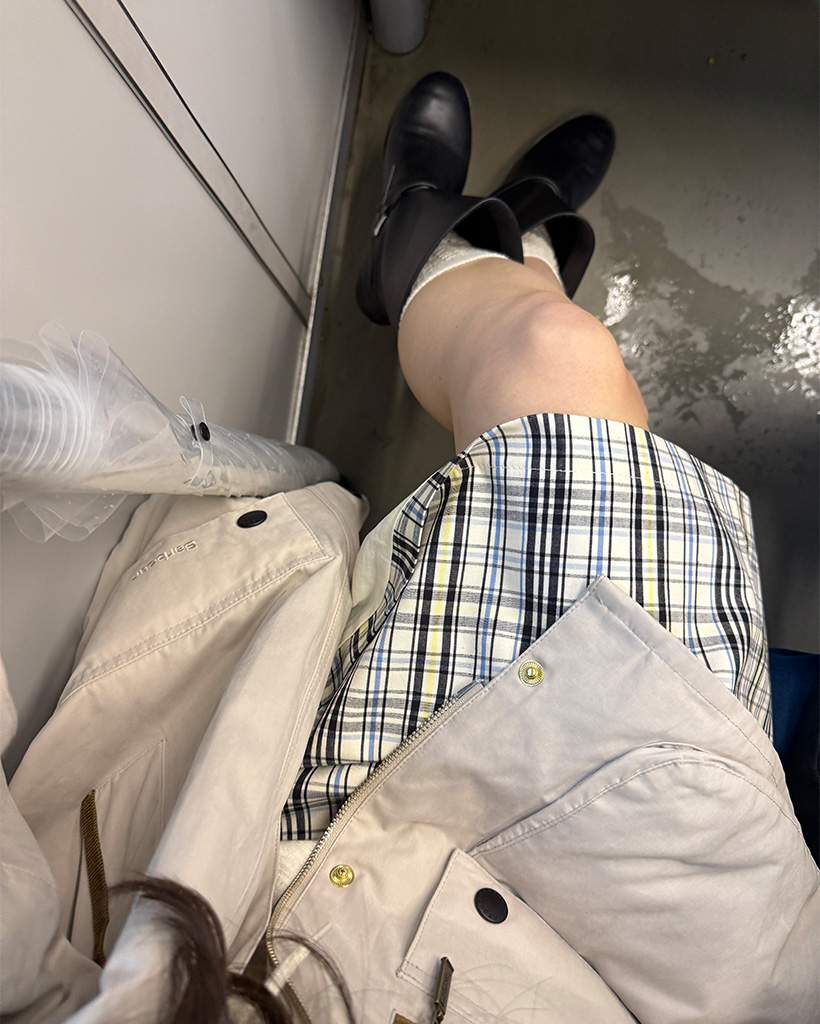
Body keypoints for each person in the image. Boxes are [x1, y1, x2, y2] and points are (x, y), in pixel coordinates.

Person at [3, 73, 817, 1024]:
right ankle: (508, 245)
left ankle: (447, 244)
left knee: (545, 352)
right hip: (676, 936)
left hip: (272, 887)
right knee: (559, 353)